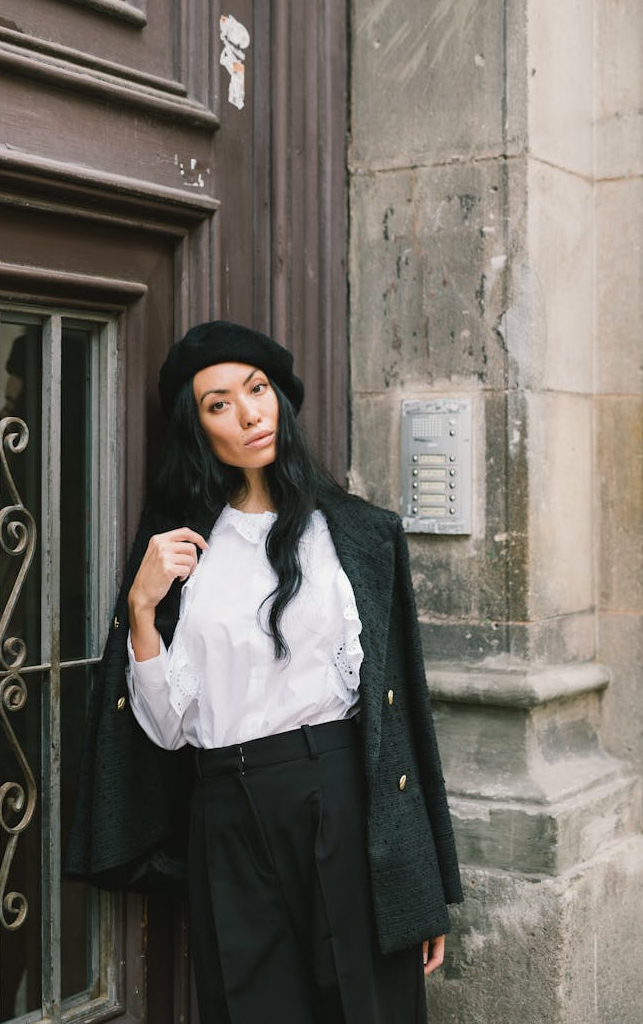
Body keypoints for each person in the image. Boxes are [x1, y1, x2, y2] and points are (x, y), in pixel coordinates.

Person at [65, 321, 463, 1024]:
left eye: (256, 390)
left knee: (368, 1006)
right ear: (198, 428)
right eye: (219, 403)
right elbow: (167, 725)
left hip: (338, 796)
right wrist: (141, 607)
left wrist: (422, 884)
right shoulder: (180, 549)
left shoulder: (356, 533)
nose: (249, 413)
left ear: (280, 397)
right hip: (225, 810)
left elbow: (403, 723)